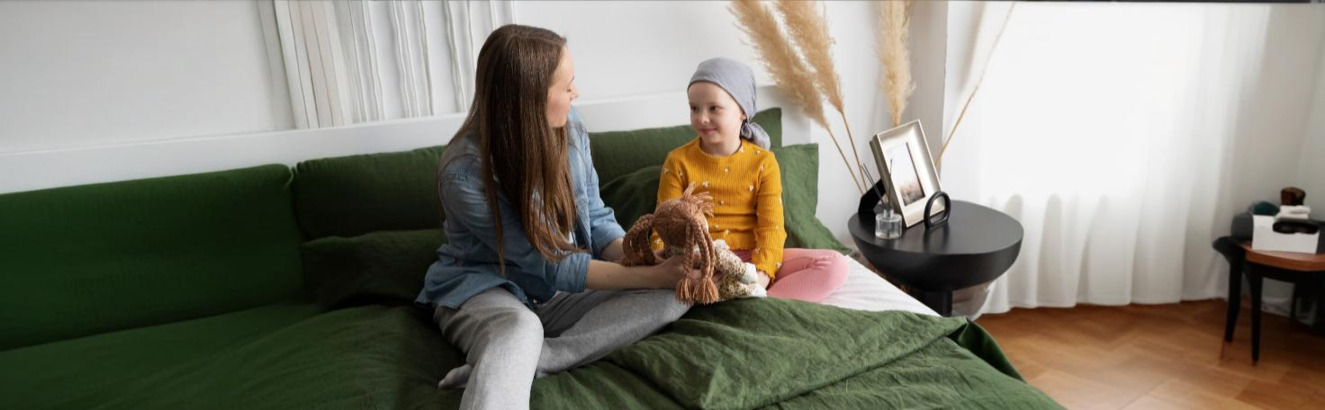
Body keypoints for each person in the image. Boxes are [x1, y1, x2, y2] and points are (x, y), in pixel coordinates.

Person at [415, 24, 693, 410]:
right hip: (487, 288)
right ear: (529, 98)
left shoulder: (572, 127)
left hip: (560, 293)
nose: (575, 93)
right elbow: (550, 262)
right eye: (567, 86)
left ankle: (531, 362)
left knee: (675, 294)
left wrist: (647, 262)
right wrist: (649, 275)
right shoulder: (463, 173)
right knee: (520, 328)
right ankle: (512, 357)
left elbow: (594, 217)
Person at [655, 57, 848, 303]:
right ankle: (740, 302)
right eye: (695, 108)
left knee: (835, 265)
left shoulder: (763, 163)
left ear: (742, 111)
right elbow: (665, 225)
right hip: (700, 262)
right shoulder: (677, 161)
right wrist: (671, 266)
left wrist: (761, 276)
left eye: (714, 108)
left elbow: (772, 228)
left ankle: (756, 304)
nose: (702, 118)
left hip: (752, 263)